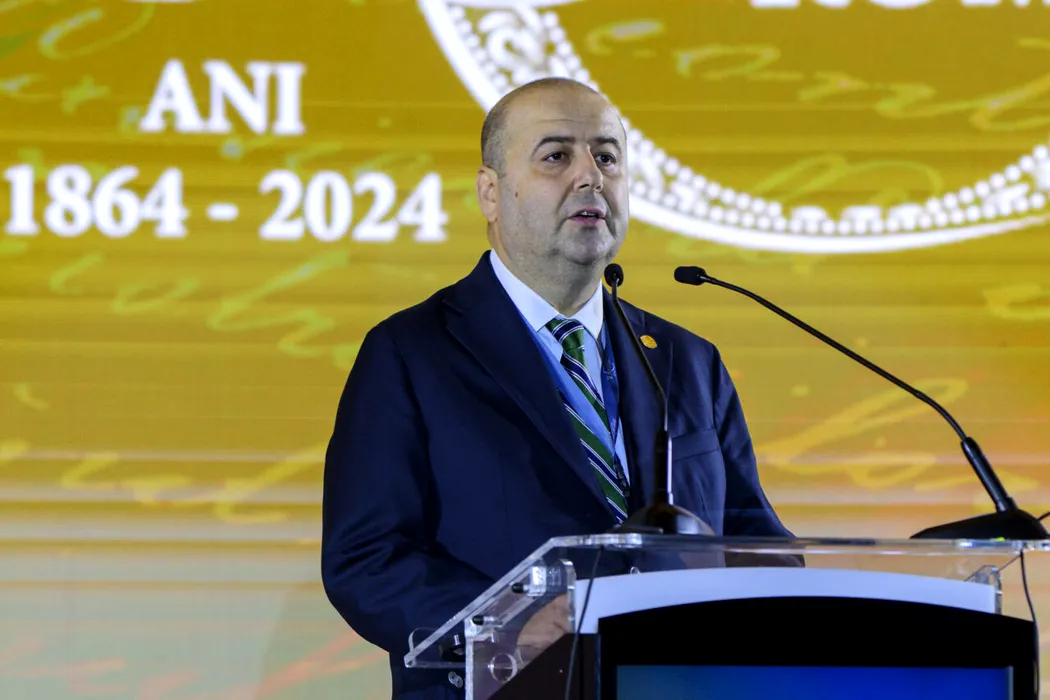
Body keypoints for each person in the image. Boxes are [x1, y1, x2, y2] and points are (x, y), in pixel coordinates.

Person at [320, 77, 793, 700]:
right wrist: (504, 623)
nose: (590, 176)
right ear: (491, 193)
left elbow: (753, 539)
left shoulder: (687, 359)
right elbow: (366, 558)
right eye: (556, 156)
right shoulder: (412, 353)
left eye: (607, 156)